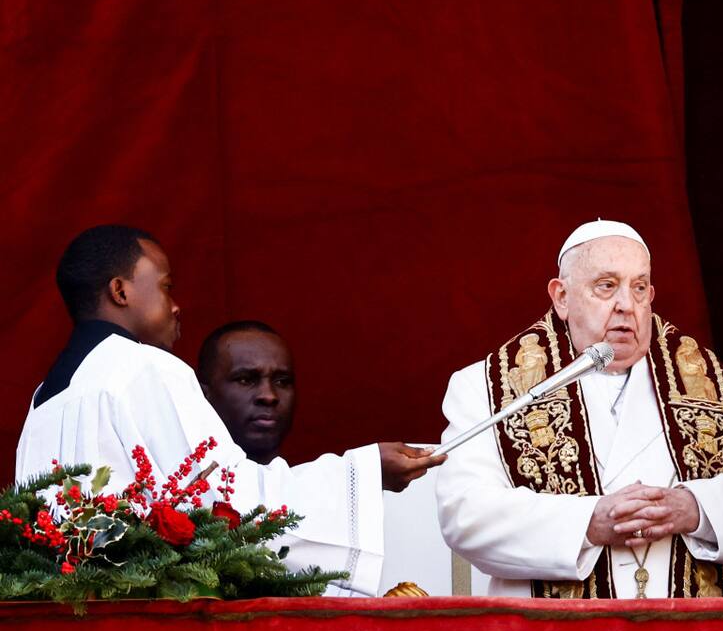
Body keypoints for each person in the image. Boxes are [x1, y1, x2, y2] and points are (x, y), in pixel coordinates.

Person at [16, 225, 445, 596]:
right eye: (166, 286)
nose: (176, 305)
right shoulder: (145, 367)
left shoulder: (44, 398)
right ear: (120, 291)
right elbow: (226, 504)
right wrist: (364, 472)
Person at [436, 220, 723, 598]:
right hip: (550, 626)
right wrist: (588, 522)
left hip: (695, 624)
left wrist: (697, 509)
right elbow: (465, 511)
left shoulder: (722, 389)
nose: (626, 305)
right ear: (561, 297)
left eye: (639, 288)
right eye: (606, 286)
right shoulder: (487, 388)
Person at [197, 320, 295, 465]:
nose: (269, 396)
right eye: (246, 380)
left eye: (282, 382)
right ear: (203, 393)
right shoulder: (168, 476)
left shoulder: (322, 477)